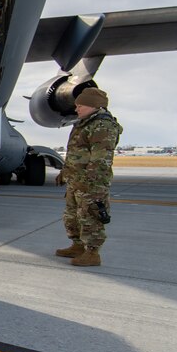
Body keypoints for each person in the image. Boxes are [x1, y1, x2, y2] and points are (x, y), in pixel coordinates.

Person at [54, 88, 123, 267]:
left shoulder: (103, 126)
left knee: (89, 217)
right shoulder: (84, 123)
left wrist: (90, 183)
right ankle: (78, 246)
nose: (76, 108)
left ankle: (92, 253)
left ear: (94, 105)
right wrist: (65, 172)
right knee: (72, 216)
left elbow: (101, 159)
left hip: (91, 183)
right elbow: (77, 153)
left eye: (80, 105)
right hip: (76, 180)